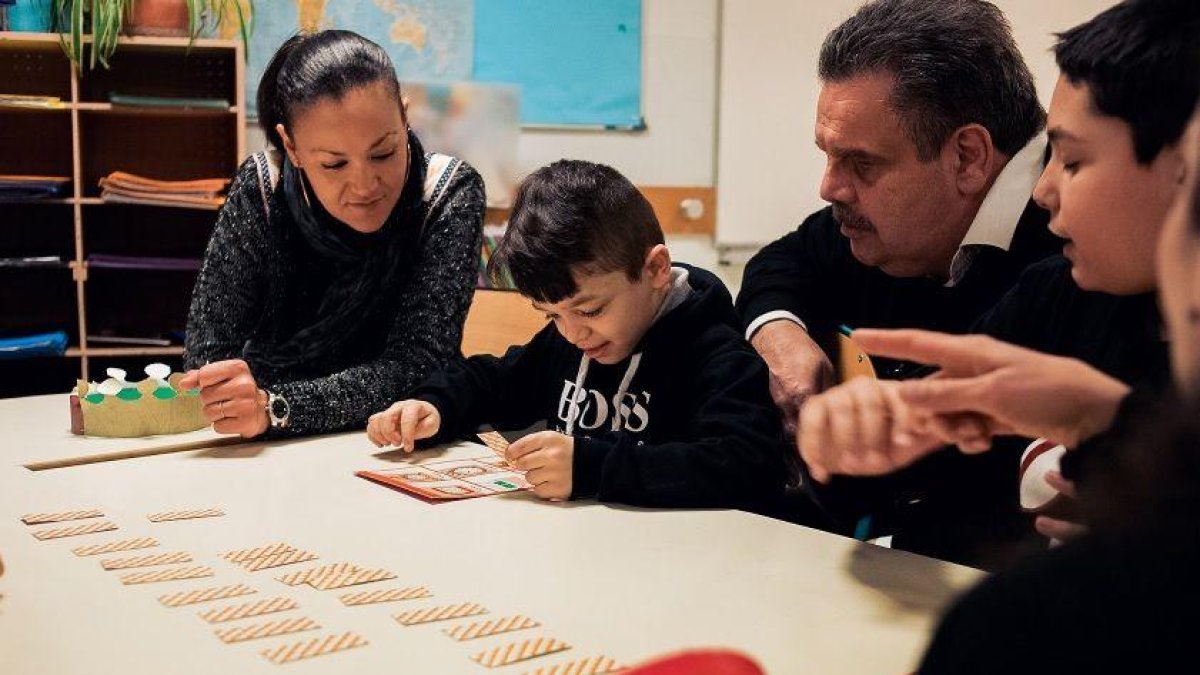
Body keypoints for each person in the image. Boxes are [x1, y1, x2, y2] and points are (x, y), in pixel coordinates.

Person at [797, 0, 1198, 564]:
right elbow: (896, 470)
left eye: (1072, 161)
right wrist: (851, 434)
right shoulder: (1053, 294)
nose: (1043, 190)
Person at [366, 160, 786, 508]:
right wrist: (434, 405)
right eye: (552, 315)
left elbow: (747, 465)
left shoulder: (715, 353)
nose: (572, 333)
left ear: (656, 269)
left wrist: (592, 468)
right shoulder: (574, 338)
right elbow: (492, 380)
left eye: (590, 310)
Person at [737, 0, 1059, 437]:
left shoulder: (1069, 253)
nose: (829, 189)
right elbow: (783, 261)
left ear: (967, 157)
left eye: (862, 163)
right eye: (828, 156)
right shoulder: (879, 223)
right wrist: (780, 334)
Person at [180, 31, 485, 438]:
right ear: (291, 146)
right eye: (334, 164)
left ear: (404, 116)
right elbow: (208, 358)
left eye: (383, 153)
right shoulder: (265, 188)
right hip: (265, 444)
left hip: (401, 440)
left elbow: (419, 365)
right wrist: (239, 400)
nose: (364, 185)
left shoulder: (447, 192)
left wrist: (278, 407)